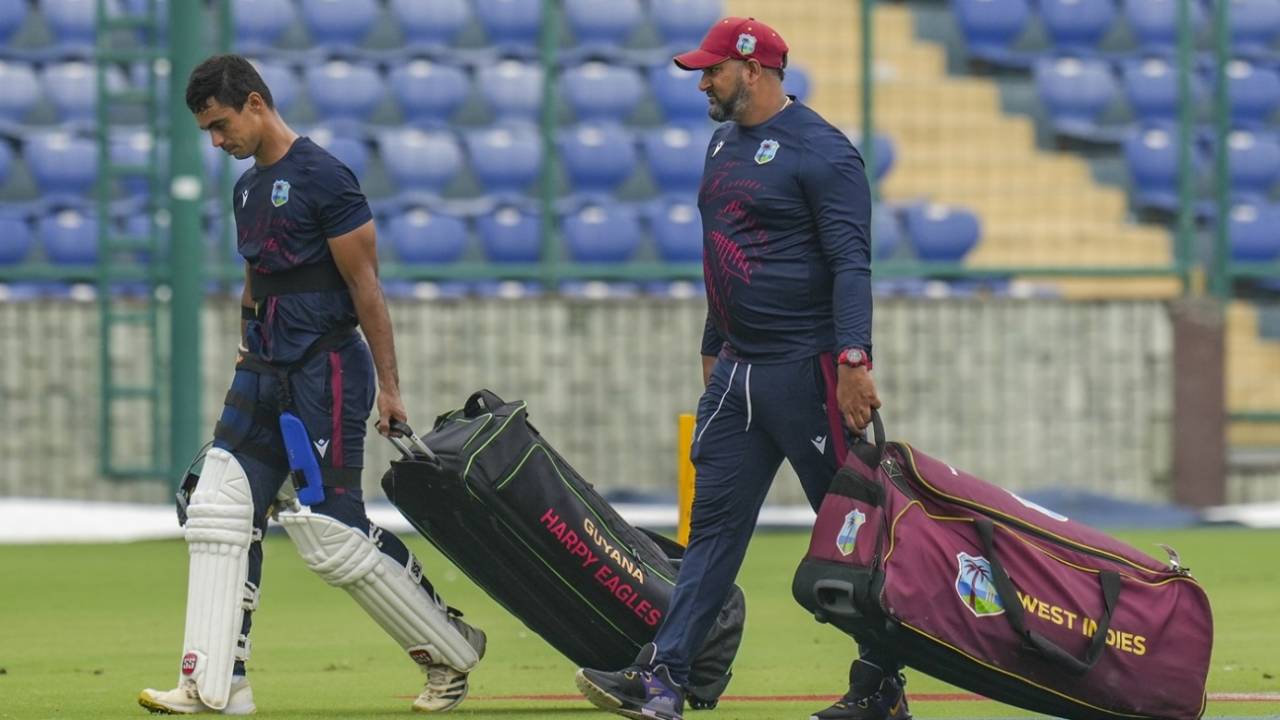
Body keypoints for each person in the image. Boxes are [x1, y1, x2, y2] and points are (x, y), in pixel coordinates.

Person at [574, 17, 909, 720]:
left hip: (810, 374)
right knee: (712, 536)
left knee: (852, 535)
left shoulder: (824, 153)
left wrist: (854, 359)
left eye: (713, 70)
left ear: (753, 70)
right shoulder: (723, 142)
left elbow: (851, 264)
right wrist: (712, 343)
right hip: (738, 374)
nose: (703, 83)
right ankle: (664, 679)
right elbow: (723, 250)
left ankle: (882, 684)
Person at [138, 54, 485, 715]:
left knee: (334, 528)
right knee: (216, 505)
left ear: (255, 103)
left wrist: (390, 389)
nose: (217, 142)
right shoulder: (246, 189)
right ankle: (216, 684)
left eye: (220, 125)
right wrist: (247, 342)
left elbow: (366, 287)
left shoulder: (325, 176)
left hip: (326, 369)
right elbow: (255, 279)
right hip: (262, 368)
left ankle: (451, 649)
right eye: (207, 131)